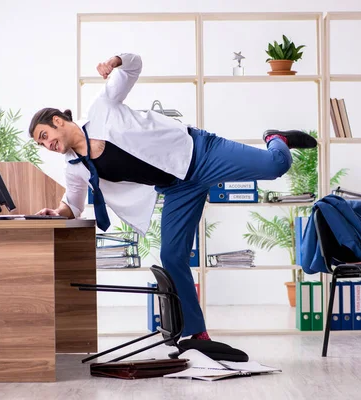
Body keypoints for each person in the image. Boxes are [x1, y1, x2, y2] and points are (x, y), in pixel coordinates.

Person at [29, 52, 317, 341]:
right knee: (172, 255)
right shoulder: (73, 167)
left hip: (201, 153)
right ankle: (198, 335)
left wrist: (116, 60)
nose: (47, 145)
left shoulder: (100, 108)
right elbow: (73, 204)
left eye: (44, 136)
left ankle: (277, 139)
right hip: (177, 189)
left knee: (276, 165)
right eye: (42, 144)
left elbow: (134, 66)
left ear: (58, 121)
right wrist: (57, 213)